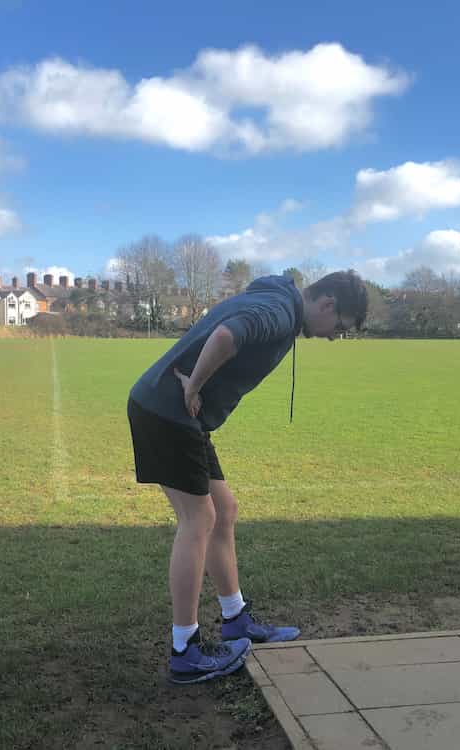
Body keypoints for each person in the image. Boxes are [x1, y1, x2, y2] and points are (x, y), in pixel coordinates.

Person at [127, 270, 369, 684]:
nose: (334, 336)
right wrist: (193, 387)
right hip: (168, 412)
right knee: (198, 519)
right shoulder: (278, 310)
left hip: (180, 416)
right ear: (327, 305)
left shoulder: (279, 306)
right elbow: (225, 336)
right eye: (340, 328)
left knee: (224, 509)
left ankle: (235, 618)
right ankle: (185, 650)